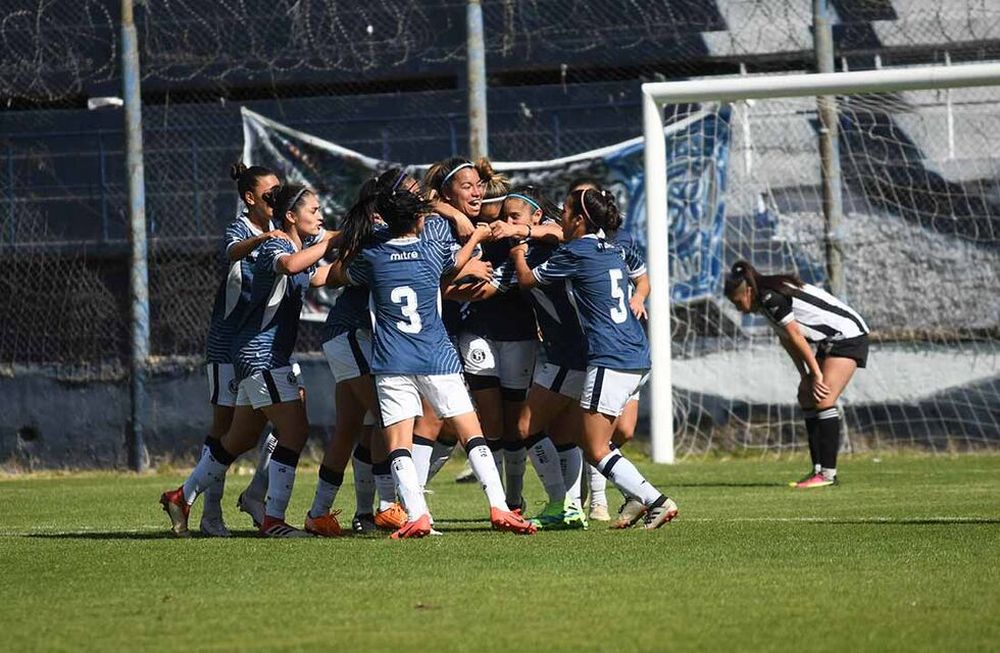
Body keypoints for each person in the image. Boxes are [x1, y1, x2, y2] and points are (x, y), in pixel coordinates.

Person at [329, 185, 536, 539]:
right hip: (437, 355)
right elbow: (455, 264)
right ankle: (500, 506)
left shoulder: (374, 254)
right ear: (419, 219)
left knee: (398, 441)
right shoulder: (430, 250)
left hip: (392, 359)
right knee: (472, 433)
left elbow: (335, 276)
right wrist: (477, 239)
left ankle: (417, 514)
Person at [160, 184, 334, 537]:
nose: (320, 217)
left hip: (259, 355)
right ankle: (273, 521)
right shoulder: (277, 244)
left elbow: (322, 275)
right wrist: (329, 241)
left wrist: (359, 246)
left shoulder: (301, 248)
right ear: (290, 216)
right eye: (313, 211)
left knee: (238, 439)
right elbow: (288, 265)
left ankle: (181, 496)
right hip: (261, 355)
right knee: (294, 431)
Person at [510, 187, 678, 530]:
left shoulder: (575, 252)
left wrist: (517, 252)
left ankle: (654, 500)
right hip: (636, 351)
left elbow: (527, 280)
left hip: (609, 356)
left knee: (594, 445)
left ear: (579, 219)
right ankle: (621, 498)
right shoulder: (615, 246)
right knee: (593, 439)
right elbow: (639, 275)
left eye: (566, 211)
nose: (562, 217)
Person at [452, 185, 588, 529]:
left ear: (535, 216)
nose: (503, 222)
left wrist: (519, 233)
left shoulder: (551, 244)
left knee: (578, 435)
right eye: (502, 216)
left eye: (513, 216)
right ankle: (533, 503)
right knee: (508, 426)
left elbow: (557, 233)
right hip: (555, 349)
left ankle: (573, 504)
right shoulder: (506, 243)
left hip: (565, 348)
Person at [315, 169, 411, 535]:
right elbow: (335, 273)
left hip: (357, 336)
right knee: (388, 417)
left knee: (353, 428)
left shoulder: (382, 229)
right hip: (350, 333)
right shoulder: (380, 231)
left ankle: (325, 512)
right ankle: (388, 506)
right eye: (410, 191)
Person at [724, 260, 870, 488]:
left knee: (823, 398)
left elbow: (796, 336)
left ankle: (828, 475)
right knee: (806, 395)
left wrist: (817, 375)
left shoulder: (770, 297)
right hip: (830, 340)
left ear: (749, 292)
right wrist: (805, 375)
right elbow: (788, 340)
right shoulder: (764, 302)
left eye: (738, 302)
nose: (738, 308)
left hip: (847, 335)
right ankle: (818, 470)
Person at [198, 162, 284, 536]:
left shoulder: (284, 230)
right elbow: (232, 251)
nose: (277, 200)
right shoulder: (244, 228)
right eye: (270, 195)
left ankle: (256, 494)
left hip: (262, 345)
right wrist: (265, 239)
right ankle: (209, 511)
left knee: (287, 418)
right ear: (250, 198)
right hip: (227, 344)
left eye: (281, 193)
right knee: (224, 426)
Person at [567, 178, 648, 523]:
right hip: (609, 349)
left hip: (621, 348)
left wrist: (639, 296)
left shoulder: (620, 242)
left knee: (620, 434)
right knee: (593, 437)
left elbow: (643, 277)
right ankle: (597, 500)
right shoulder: (579, 245)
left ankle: (643, 495)